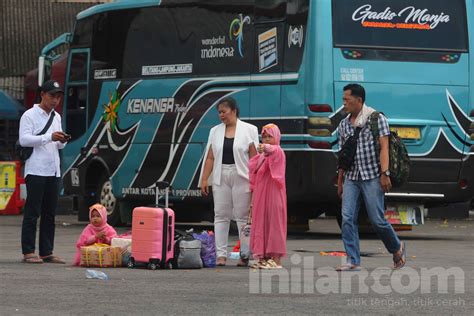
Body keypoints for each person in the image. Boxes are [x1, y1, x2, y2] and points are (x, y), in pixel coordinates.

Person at [336, 83, 406, 271]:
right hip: (351, 176)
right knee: (347, 218)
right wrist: (340, 180)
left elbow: (384, 148)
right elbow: (343, 155)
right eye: (343, 99)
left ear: (359, 100)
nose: (344, 103)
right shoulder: (343, 124)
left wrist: (385, 174)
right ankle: (353, 260)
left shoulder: (376, 119)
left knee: (377, 220)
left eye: (347, 100)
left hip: (373, 176)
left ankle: (397, 247)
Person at [199, 97, 259, 266]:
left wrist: (256, 180)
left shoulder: (250, 130)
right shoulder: (214, 131)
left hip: (242, 175)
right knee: (220, 215)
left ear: (234, 111)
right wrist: (204, 178)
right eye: (219, 112)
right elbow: (210, 157)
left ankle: (245, 255)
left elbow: (255, 157)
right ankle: (221, 255)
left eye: (223, 112)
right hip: (220, 174)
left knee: (242, 216)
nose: (221, 115)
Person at [19, 80, 70, 264]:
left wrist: (62, 140)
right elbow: (24, 139)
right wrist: (49, 137)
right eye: (52, 96)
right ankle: (28, 251)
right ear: (42, 94)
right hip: (36, 169)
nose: (55, 100)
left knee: (50, 213)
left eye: (57, 97)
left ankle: (46, 251)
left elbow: (57, 144)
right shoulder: (29, 115)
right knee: (33, 211)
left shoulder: (56, 117)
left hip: (53, 170)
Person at [248, 124, 287, 269]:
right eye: (264, 136)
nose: (266, 139)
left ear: (276, 137)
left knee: (274, 223)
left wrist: (266, 148)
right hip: (261, 194)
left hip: (274, 194)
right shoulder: (261, 157)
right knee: (261, 223)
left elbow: (273, 150)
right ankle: (263, 257)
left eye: (270, 136)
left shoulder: (278, 152)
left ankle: (276, 259)